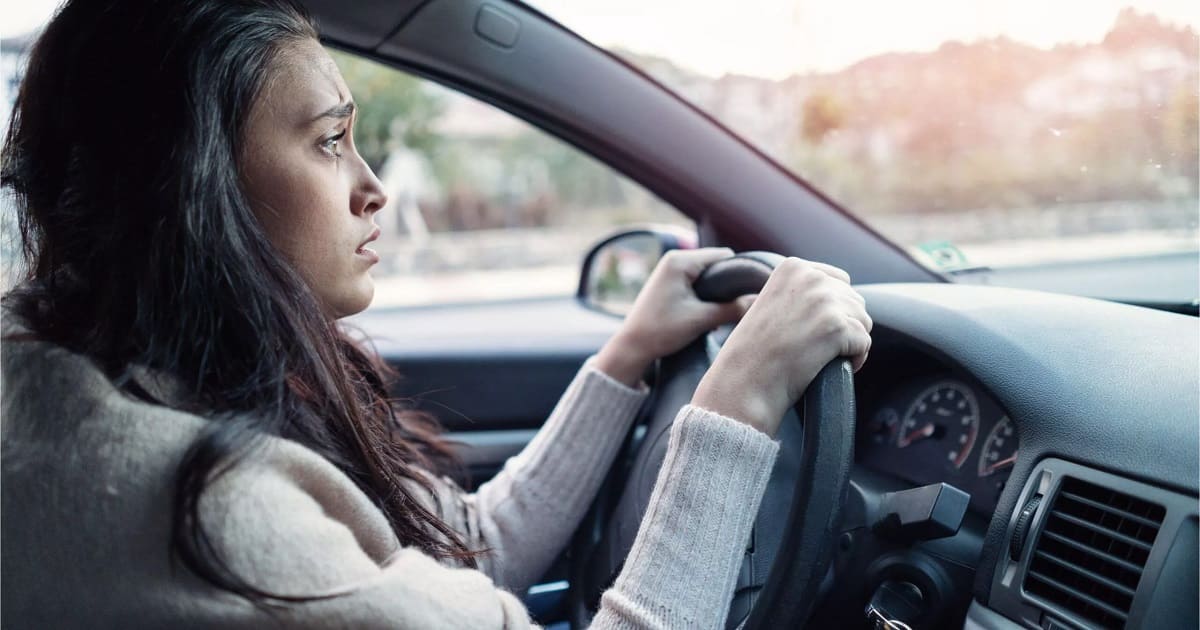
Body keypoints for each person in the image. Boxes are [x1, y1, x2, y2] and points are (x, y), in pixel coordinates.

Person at [0, 0, 872, 627]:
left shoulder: (130, 384)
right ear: (193, 184)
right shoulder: (211, 526)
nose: (372, 188)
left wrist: (628, 354)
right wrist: (738, 407)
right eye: (331, 141)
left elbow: (467, 552)